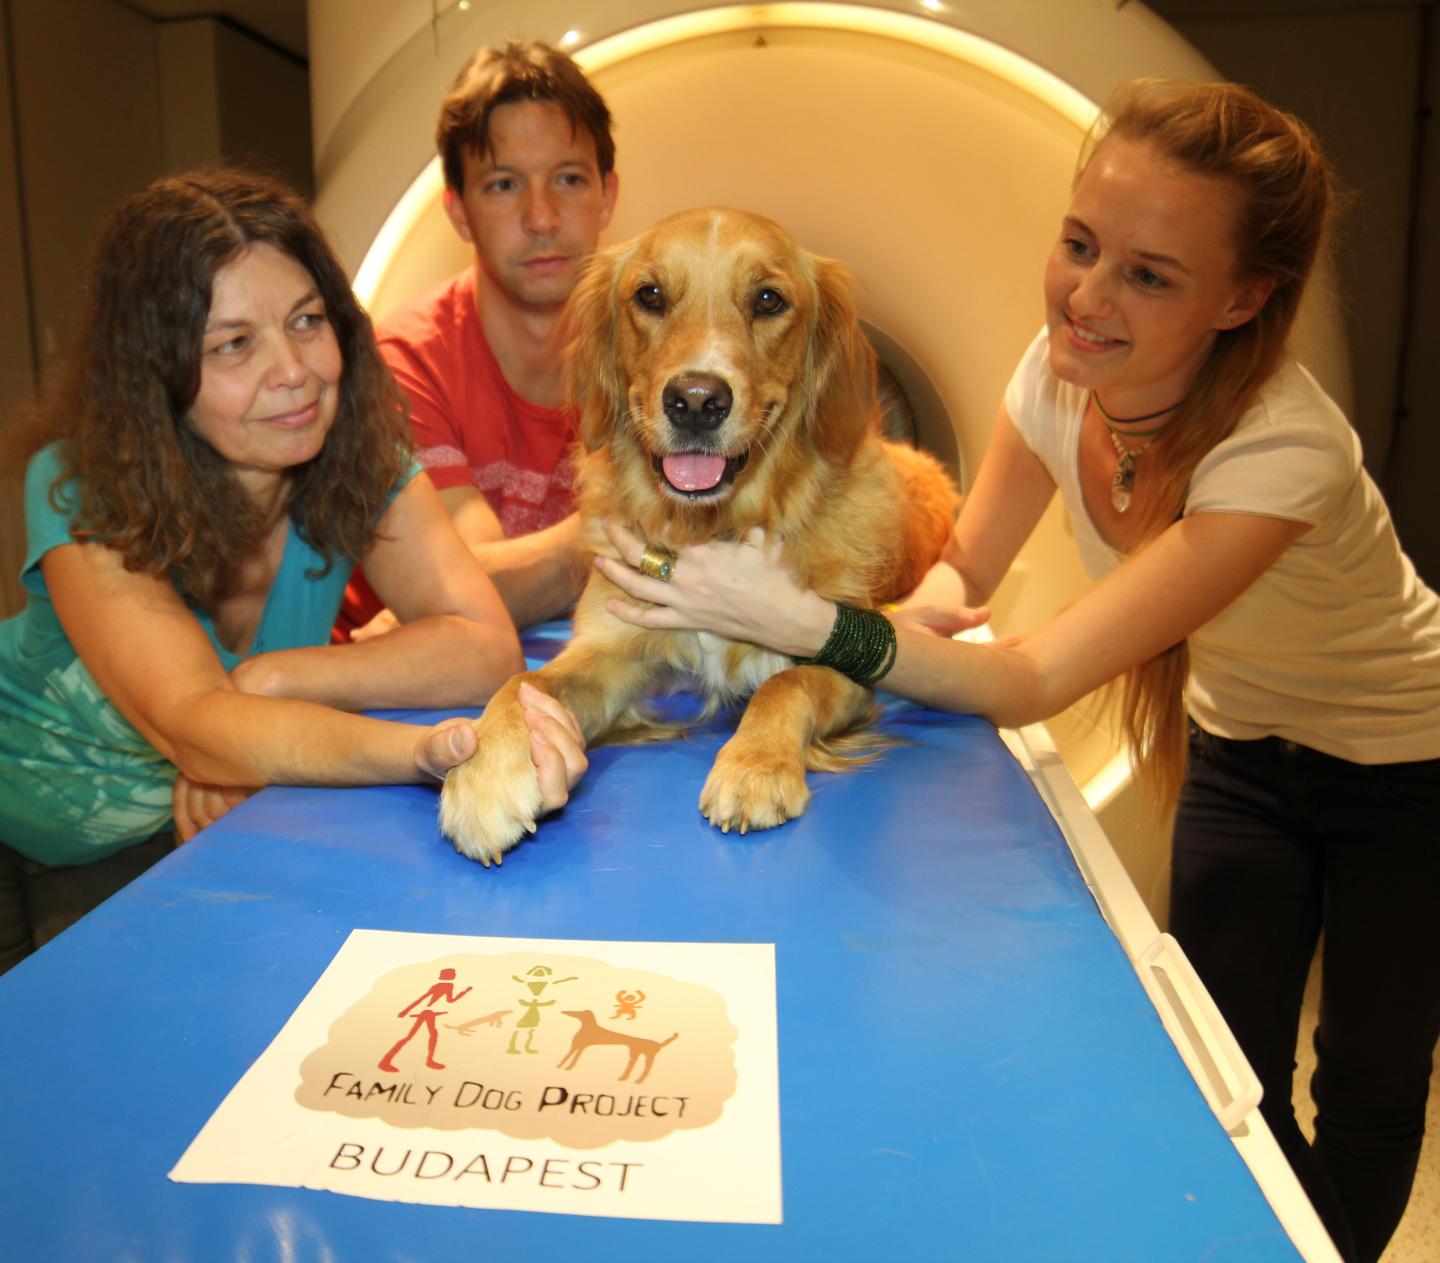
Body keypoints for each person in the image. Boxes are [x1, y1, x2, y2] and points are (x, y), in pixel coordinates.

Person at [594, 80, 1440, 1263]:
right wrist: (831, 633)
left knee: (1369, 1078)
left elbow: (1037, 675)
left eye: (1148, 275)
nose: (1088, 298)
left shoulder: (1282, 453)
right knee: (1228, 1068)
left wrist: (802, 624)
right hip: (1243, 753)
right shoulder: (1058, 372)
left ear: (1243, 299)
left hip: (1406, 765)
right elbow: (959, 585)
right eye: (1081, 246)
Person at [0, 167, 588, 974]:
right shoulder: (77, 485)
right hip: (39, 846)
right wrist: (417, 755)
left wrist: (274, 681)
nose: (295, 372)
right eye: (235, 344)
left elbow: (483, 645)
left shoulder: (358, 455)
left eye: (307, 321)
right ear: (154, 371)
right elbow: (196, 726)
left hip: (223, 819)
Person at [335, 39, 619, 641]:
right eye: (503, 185)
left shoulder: (649, 352)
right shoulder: (404, 363)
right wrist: (636, 535)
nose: (541, 217)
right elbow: (462, 587)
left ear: (608, 195)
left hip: (569, 654)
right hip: (396, 683)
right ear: (459, 212)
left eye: (568, 179)